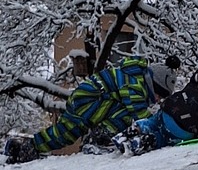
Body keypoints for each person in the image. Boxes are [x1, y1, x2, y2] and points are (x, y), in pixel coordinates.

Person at [4, 56, 175, 164]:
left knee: (65, 132)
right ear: (152, 84)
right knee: (125, 115)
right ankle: (101, 138)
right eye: (160, 95)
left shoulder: (131, 76)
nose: (158, 100)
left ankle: (27, 147)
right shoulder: (133, 84)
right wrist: (161, 127)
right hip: (91, 101)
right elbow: (140, 115)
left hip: (86, 99)